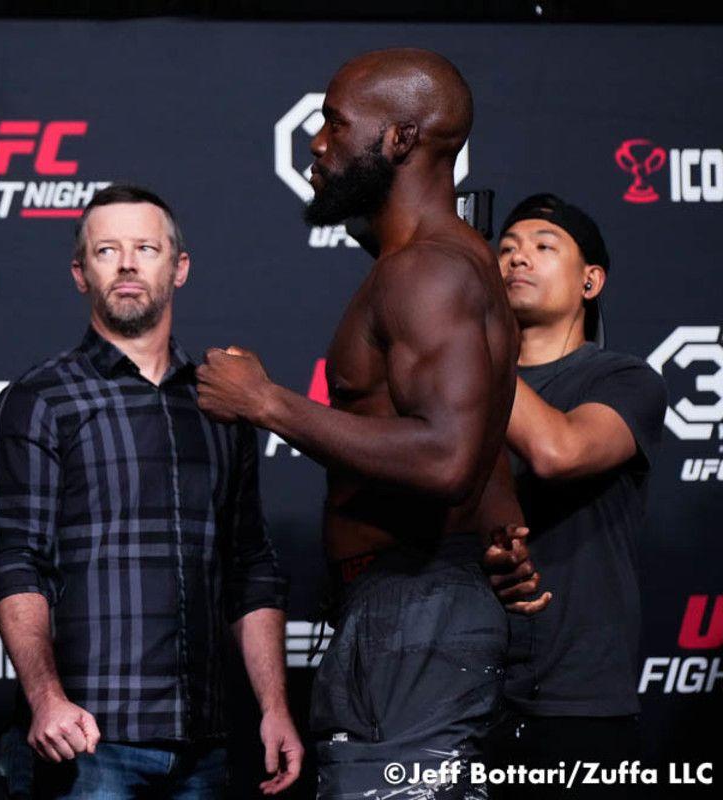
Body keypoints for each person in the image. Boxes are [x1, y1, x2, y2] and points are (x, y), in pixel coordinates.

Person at [194, 49, 547, 799]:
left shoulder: (426, 271)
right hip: (414, 603)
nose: (317, 143)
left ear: (400, 139)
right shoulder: (436, 262)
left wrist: (267, 403)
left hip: (416, 612)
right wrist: (499, 538)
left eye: (334, 124)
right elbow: (480, 451)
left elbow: (449, 454)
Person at [0, 184, 303, 798]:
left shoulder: (220, 403)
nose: (127, 263)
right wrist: (46, 700)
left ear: (178, 268)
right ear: (81, 273)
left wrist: (274, 706)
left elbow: (251, 567)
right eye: (107, 250)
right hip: (87, 742)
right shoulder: (39, 401)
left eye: (146, 248)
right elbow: (15, 560)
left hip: (206, 745)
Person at [485, 194, 666, 799]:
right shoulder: (453, 387)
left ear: (591, 280)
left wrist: (466, 354)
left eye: (543, 246)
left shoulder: (623, 380)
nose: (517, 259)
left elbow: (558, 452)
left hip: (577, 705)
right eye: (505, 249)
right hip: (462, 699)